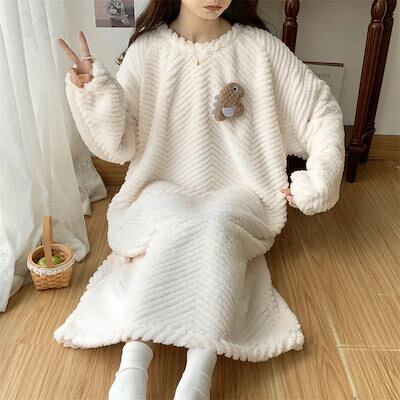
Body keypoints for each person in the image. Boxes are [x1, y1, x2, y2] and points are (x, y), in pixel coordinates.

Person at [55, 0, 346, 399]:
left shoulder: (260, 49)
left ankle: (198, 371)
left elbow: (320, 111)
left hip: (240, 192)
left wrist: (321, 178)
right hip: (158, 187)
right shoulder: (147, 51)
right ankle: (133, 362)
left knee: (215, 225)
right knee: (173, 221)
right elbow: (119, 144)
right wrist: (95, 94)